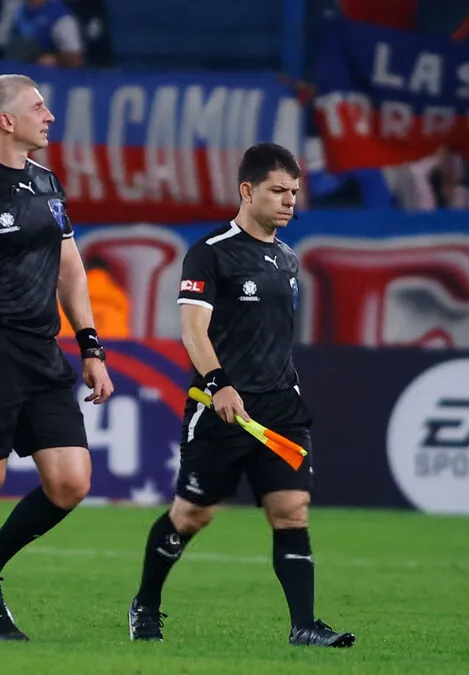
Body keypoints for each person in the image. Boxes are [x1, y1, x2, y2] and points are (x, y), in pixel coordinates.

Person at [127, 143, 355, 648]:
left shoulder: (288, 260)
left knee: (291, 510)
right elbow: (193, 331)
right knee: (192, 515)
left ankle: (303, 626)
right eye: (278, 190)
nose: (289, 201)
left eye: (294, 192)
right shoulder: (210, 253)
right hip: (221, 409)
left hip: (279, 409)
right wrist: (217, 385)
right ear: (247, 191)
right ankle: (145, 604)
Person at [0, 73, 115, 642]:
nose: (50, 116)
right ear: (5, 121)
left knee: (71, 482)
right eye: (38, 107)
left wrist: (90, 346)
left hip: (42, 349)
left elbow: (71, 268)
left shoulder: (48, 184)